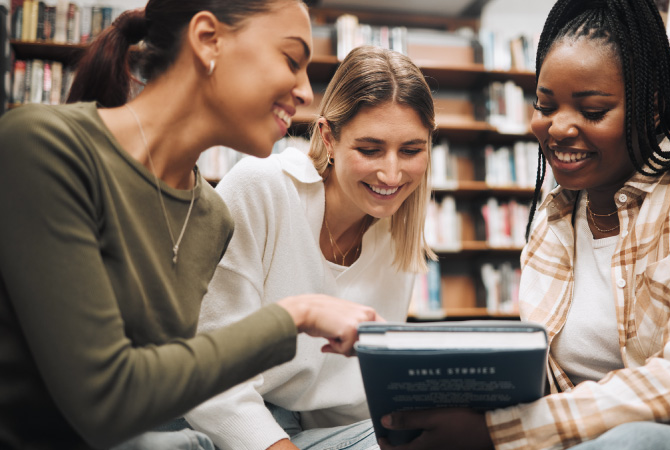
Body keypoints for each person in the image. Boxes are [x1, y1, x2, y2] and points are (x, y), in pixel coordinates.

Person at [0, 1, 385, 449]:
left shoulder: (210, 216)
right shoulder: (42, 147)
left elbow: (164, 387)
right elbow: (107, 401)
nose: (304, 92)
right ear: (208, 40)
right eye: (291, 60)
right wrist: (294, 317)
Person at [376, 0, 670, 449]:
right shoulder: (553, 218)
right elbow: (542, 381)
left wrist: (501, 431)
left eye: (591, 111)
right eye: (545, 105)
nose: (558, 128)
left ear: (652, 107)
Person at [183, 45, 437, 450]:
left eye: (411, 150)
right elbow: (206, 370)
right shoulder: (262, 188)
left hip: (315, 431)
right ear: (327, 138)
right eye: (369, 149)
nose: (391, 173)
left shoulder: (397, 238)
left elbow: (350, 402)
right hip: (221, 420)